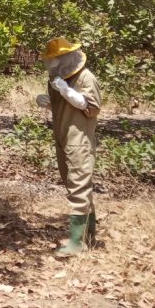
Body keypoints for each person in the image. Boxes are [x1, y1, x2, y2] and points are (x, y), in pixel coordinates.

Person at [35, 37, 102, 256]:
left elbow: (92, 108)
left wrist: (67, 91)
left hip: (79, 139)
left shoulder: (85, 77)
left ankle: (77, 243)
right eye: (50, 60)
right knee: (74, 184)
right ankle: (89, 234)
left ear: (66, 57)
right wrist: (47, 98)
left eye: (56, 59)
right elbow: (61, 105)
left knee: (78, 187)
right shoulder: (56, 78)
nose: (52, 64)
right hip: (62, 138)